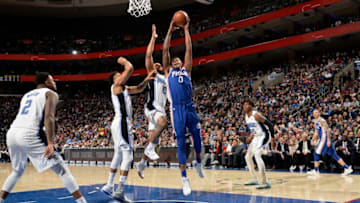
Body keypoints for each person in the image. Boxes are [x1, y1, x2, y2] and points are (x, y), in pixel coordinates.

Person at [0, 72, 87, 203]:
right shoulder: (50, 93)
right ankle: (82, 202)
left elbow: (19, 115)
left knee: (17, 171)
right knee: (63, 171)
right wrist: (50, 142)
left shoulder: (26, 95)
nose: (55, 82)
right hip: (29, 133)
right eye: (52, 80)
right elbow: (49, 117)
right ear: (46, 82)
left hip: (12, 133)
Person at [101, 57, 155, 202]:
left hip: (118, 123)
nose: (121, 75)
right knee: (128, 156)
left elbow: (139, 88)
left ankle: (109, 185)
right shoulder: (117, 85)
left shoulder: (124, 88)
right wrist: (123, 61)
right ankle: (120, 190)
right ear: (115, 80)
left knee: (118, 154)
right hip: (122, 122)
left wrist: (148, 78)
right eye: (118, 75)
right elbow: (130, 68)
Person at [162, 16, 204, 196]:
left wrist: (186, 30)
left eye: (179, 60)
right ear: (171, 64)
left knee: (198, 140)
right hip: (177, 109)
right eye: (174, 61)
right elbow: (165, 50)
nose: (177, 61)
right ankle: (185, 179)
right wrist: (170, 31)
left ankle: (199, 163)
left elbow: (189, 49)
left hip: (189, 107)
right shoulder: (168, 72)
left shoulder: (187, 71)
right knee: (180, 144)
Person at [135, 25, 168, 179]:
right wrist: (153, 37)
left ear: (160, 66)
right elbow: (148, 56)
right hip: (152, 108)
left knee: (152, 141)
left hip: (159, 108)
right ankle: (147, 152)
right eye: (153, 65)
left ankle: (141, 163)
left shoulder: (165, 78)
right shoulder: (153, 75)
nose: (154, 65)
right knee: (163, 122)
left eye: (157, 65)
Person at [307, 109, 353, 177]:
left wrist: (328, 140)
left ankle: (316, 171)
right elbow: (316, 132)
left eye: (316, 112)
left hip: (324, 140)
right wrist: (312, 140)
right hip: (323, 140)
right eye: (313, 113)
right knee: (334, 155)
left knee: (316, 153)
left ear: (319, 113)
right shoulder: (315, 121)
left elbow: (328, 130)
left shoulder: (322, 121)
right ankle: (347, 168)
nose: (314, 114)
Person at [243, 99, 274, 189]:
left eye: (247, 104)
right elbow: (254, 129)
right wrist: (250, 137)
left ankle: (265, 181)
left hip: (264, 135)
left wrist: (272, 138)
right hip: (256, 137)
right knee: (247, 157)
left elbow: (270, 125)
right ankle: (254, 179)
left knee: (257, 155)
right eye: (244, 105)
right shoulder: (246, 116)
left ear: (251, 106)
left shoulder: (256, 114)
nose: (245, 106)